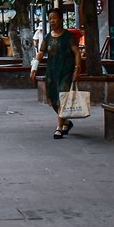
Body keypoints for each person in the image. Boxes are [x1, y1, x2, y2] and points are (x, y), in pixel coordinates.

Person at [34, 8, 85, 138]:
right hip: (51, 72)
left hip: (66, 71)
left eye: (54, 18)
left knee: (63, 96)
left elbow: (77, 53)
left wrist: (77, 68)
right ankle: (66, 121)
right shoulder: (48, 37)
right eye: (50, 18)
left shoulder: (69, 36)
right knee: (53, 99)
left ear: (61, 19)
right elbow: (41, 52)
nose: (52, 21)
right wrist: (34, 67)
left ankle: (59, 127)